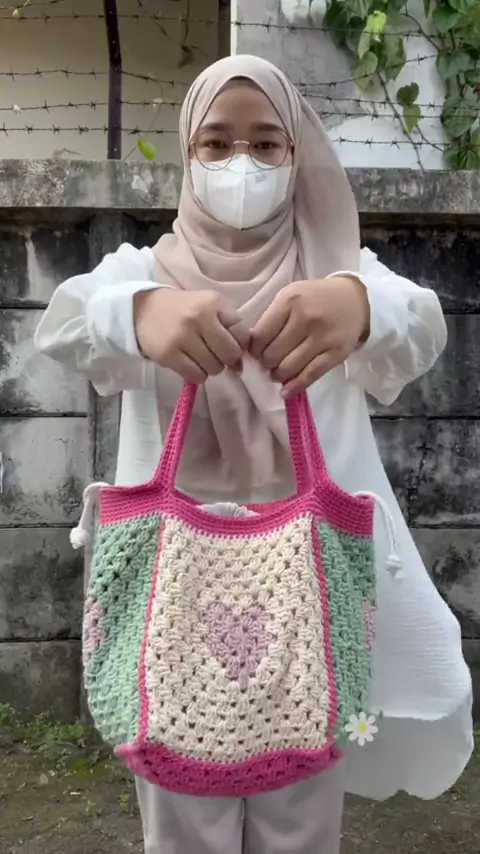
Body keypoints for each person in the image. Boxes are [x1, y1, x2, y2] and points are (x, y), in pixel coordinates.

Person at [35, 55, 473, 854]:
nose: (242, 163)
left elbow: (422, 323)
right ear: (188, 153)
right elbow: (63, 324)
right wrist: (139, 313)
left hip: (313, 582)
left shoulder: (336, 268)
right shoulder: (146, 270)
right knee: (181, 816)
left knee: (302, 813)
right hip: (171, 584)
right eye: (216, 142)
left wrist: (358, 304)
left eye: (268, 143)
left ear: (297, 154)